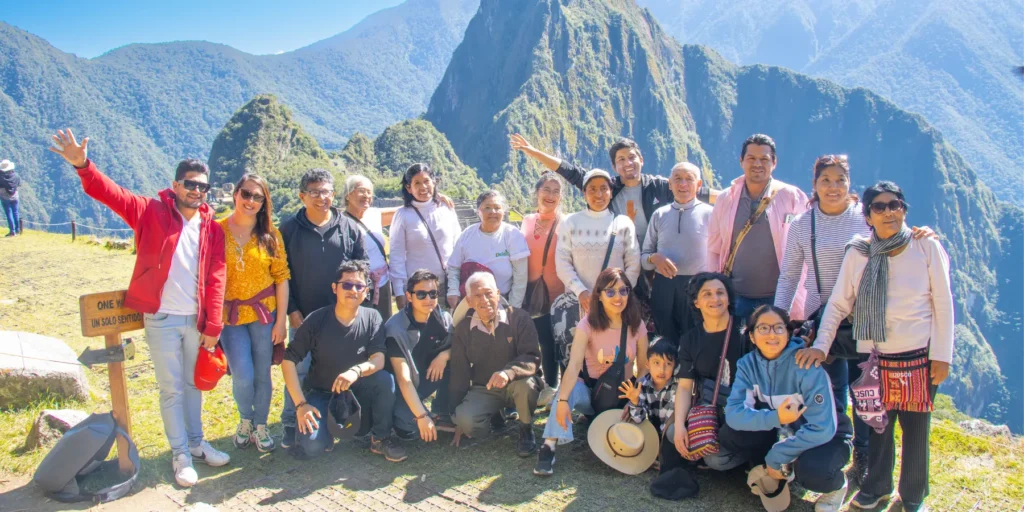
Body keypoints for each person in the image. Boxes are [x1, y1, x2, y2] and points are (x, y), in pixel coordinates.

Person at [50, 129, 229, 488]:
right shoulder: (150, 212)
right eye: (190, 184)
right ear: (175, 185)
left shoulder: (212, 228)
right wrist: (83, 165)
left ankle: (196, 444)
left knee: (194, 385)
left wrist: (213, 323)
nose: (196, 191)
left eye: (202, 187)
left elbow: (216, 275)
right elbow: (109, 193)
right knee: (171, 388)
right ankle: (179, 453)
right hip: (161, 318)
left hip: (196, 321)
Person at [774, 155, 935, 482]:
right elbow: (790, 276)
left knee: (867, 392)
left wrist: (922, 235)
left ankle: (864, 455)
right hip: (824, 321)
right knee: (829, 390)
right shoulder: (803, 225)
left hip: (867, 321)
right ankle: (833, 448)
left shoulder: (866, 220)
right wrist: (779, 317)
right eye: (825, 181)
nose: (833, 187)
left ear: (850, 185)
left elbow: (899, 242)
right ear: (814, 185)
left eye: (840, 180)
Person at [798, 181, 954, 512]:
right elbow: (838, 305)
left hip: (919, 357)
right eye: (879, 207)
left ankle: (912, 497)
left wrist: (942, 356)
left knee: (915, 430)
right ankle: (877, 487)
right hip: (877, 358)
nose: (888, 212)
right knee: (878, 425)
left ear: (904, 209)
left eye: (894, 204)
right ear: (868, 216)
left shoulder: (926, 248)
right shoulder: (859, 253)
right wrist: (821, 345)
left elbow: (943, 302)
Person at [726, 305, 853, 512]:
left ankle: (836, 485)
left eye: (778, 328)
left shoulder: (806, 364)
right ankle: (786, 467)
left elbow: (823, 428)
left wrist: (777, 454)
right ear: (751, 336)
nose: (772, 334)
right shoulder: (747, 365)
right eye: (763, 328)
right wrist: (776, 417)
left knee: (813, 471)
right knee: (731, 434)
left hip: (829, 436)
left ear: (788, 332)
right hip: (785, 432)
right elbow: (733, 414)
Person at [278, 168, 368, 449]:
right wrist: (291, 309)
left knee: (342, 365)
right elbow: (282, 274)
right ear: (302, 196)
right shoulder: (289, 229)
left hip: (341, 316)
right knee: (299, 368)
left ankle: (342, 416)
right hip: (303, 317)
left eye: (326, 192)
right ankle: (291, 421)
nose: (321, 198)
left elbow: (362, 267)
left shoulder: (349, 228)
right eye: (314, 192)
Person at [281, 260, 406, 462]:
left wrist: (356, 371)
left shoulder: (373, 317)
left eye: (359, 286)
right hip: (323, 393)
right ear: (334, 288)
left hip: (357, 391)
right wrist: (300, 405)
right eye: (347, 284)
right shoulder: (316, 320)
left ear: (366, 291)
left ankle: (380, 438)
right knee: (313, 446)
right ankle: (327, 432)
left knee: (384, 380)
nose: (353, 290)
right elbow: (288, 362)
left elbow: (379, 359)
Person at [535, 268, 649, 477]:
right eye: (611, 292)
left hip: (623, 395)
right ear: (599, 295)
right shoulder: (587, 325)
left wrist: (636, 399)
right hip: (591, 392)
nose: (618, 297)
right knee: (566, 393)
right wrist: (561, 402)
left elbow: (642, 367)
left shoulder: (636, 324)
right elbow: (574, 366)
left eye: (623, 291)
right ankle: (548, 447)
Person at [510, 134, 714, 247]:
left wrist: (738, 193)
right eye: (621, 160)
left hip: (655, 256)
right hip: (620, 256)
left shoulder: (659, 186)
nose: (628, 163)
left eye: (632, 158)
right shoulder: (609, 189)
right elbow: (571, 172)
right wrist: (533, 152)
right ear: (615, 167)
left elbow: (697, 191)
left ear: (641, 160)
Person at [218, 174, 290, 453]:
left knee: (262, 373)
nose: (250, 201)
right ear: (236, 194)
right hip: (230, 316)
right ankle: (245, 419)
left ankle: (260, 425)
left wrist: (281, 320)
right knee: (242, 374)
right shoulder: (217, 230)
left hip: (264, 315)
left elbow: (281, 278)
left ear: (264, 202)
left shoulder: (270, 236)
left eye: (257, 197)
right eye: (246, 194)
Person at [706, 134, 809, 321]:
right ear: (741, 161)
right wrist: (715, 289)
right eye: (751, 158)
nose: (757, 164)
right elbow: (714, 248)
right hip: (736, 296)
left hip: (780, 298)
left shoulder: (792, 197)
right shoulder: (725, 199)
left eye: (764, 159)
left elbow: (806, 245)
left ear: (774, 162)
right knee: (736, 349)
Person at [449, 272, 543, 457]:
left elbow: (532, 357)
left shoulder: (520, 318)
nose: (484, 300)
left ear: (498, 294)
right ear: (468, 300)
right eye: (477, 295)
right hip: (484, 388)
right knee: (467, 420)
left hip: (518, 382)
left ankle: (525, 430)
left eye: (488, 293)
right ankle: (495, 418)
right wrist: (457, 418)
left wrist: (508, 373)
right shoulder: (463, 329)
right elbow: (459, 373)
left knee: (526, 386)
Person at [668, 271, 750, 476]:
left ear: (729, 298)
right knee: (672, 433)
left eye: (720, 293)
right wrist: (679, 426)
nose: (715, 299)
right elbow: (685, 387)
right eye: (707, 294)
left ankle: (746, 457)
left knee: (716, 459)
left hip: (743, 412)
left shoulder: (747, 331)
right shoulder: (690, 340)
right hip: (709, 409)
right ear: (696, 302)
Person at [642, 162, 713, 342]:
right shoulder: (660, 214)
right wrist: (654, 258)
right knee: (665, 341)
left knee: (697, 339)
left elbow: (720, 254)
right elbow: (643, 257)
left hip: (699, 287)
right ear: (669, 184)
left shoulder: (710, 214)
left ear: (698, 185)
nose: (683, 184)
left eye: (689, 179)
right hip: (664, 287)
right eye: (678, 179)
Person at [555, 169, 641, 316]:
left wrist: (621, 294)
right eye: (592, 189)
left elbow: (633, 264)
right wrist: (580, 291)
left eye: (604, 188)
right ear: (584, 193)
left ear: (611, 192)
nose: (599, 194)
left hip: (616, 305)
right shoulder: (570, 222)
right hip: (580, 304)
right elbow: (562, 263)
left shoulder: (623, 223)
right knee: (582, 338)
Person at [385, 269, 455, 442]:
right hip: (401, 388)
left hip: (426, 378)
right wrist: (422, 416)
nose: (428, 300)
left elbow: (460, 347)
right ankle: (416, 413)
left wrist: (444, 355)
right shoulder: (395, 328)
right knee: (408, 428)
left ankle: (443, 411)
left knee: (456, 362)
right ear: (409, 296)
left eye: (433, 294)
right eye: (421, 294)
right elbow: (403, 380)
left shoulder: (444, 318)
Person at [390, 163, 463, 311]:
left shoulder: (446, 209)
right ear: (408, 187)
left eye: (426, 181)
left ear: (434, 182)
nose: (423, 187)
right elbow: (396, 256)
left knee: (448, 330)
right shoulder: (403, 215)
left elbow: (459, 245)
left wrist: (456, 285)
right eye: (417, 183)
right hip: (418, 290)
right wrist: (399, 292)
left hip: (447, 286)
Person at [519, 172, 567, 388]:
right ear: (537, 192)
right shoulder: (527, 220)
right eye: (546, 190)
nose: (551, 195)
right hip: (534, 293)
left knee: (562, 344)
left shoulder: (566, 223)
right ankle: (550, 386)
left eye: (556, 191)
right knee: (544, 343)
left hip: (560, 293)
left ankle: (564, 390)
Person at [446, 190, 530, 309]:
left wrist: (513, 309)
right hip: (470, 303)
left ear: (503, 211)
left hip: (503, 302)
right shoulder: (467, 235)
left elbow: (520, 277)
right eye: (487, 207)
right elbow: (454, 267)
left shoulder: (512, 235)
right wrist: (453, 291)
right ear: (478, 211)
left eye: (497, 207)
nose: (492, 212)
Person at [343, 175, 399, 322]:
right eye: (361, 191)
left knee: (384, 324)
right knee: (361, 325)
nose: (366, 195)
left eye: (369, 192)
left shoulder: (374, 214)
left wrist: (435, 198)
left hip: (382, 282)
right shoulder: (340, 221)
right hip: (357, 286)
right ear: (347, 194)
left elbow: (405, 209)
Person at [0, 159, 20, 237]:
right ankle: (17, 229)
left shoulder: (1, 177)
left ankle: (12, 231)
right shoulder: (16, 175)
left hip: (4, 197)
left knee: (9, 213)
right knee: (16, 212)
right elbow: (19, 184)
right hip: (15, 196)